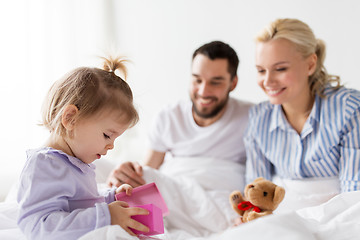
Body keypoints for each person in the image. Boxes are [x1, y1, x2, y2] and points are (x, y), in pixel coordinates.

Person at [106, 41, 253, 235]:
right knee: (105, 172)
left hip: (219, 200)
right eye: (197, 80)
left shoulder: (251, 117)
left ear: (233, 83)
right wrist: (128, 174)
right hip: (173, 195)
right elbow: (148, 171)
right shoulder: (169, 116)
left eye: (215, 82)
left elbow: (260, 177)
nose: (203, 91)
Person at [17, 57, 150, 240]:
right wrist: (105, 215)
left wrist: (111, 198)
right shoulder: (45, 165)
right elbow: (39, 227)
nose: (111, 145)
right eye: (106, 135)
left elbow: (80, 205)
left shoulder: (75, 162)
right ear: (71, 118)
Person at [245, 18, 360, 198]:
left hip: (339, 217)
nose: (268, 81)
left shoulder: (349, 109)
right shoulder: (258, 118)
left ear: (310, 64)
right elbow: (256, 194)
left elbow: (354, 196)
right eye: (261, 70)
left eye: (280, 69)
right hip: (283, 217)